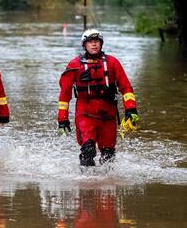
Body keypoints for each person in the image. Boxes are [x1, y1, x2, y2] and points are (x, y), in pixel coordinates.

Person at [57, 29, 139, 167]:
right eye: (90, 42)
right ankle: (86, 184)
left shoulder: (113, 63)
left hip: (108, 115)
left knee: (108, 155)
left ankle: (106, 184)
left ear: (101, 44)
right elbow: (65, 94)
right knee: (88, 150)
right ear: (84, 45)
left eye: (97, 42)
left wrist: (130, 110)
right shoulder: (75, 65)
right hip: (85, 114)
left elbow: (126, 88)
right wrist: (62, 119)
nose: (94, 44)